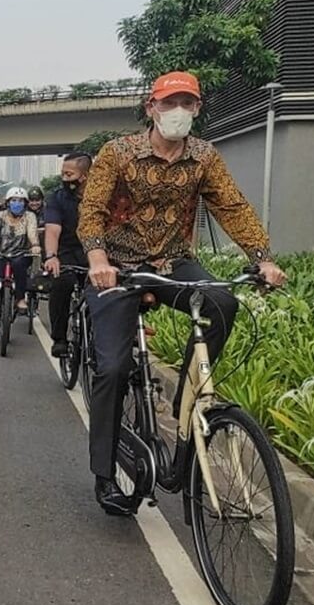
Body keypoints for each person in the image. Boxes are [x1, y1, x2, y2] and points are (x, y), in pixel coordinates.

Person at [78, 71, 287, 516]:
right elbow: (92, 210)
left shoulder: (204, 157)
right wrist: (97, 259)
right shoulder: (117, 153)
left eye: (187, 104)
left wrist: (262, 256)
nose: (178, 112)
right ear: (151, 107)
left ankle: (189, 400)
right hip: (118, 269)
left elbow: (232, 206)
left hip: (173, 263)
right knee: (113, 368)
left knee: (224, 302)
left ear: (197, 109)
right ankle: (103, 471)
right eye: (169, 103)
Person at [43, 152, 93, 357]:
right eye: (62, 174)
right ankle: (60, 338)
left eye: (69, 174)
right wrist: (51, 256)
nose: (64, 179)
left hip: (94, 251)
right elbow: (52, 230)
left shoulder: (100, 195)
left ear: (85, 176)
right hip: (67, 252)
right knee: (61, 283)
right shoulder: (57, 198)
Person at [0, 187, 41, 338]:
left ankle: (20, 299)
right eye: (14, 200)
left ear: (25, 203)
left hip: (21, 254)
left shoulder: (30, 217)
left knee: (20, 265)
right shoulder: (0, 216)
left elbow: (32, 234)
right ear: (7, 202)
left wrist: (35, 246)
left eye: (20, 201)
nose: (17, 203)